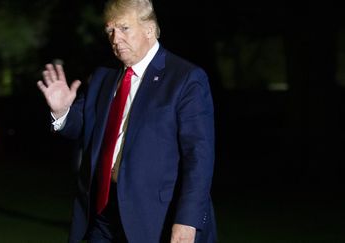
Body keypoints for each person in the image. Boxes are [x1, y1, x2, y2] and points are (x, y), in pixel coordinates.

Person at [37, 0, 217, 242]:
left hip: (155, 218)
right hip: (102, 212)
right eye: (110, 30)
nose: (115, 38)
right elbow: (80, 127)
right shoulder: (103, 75)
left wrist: (187, 221)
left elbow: (199, 157)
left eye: (124, 28)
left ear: (149, 30)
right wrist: (61, 112)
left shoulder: (185, 79)